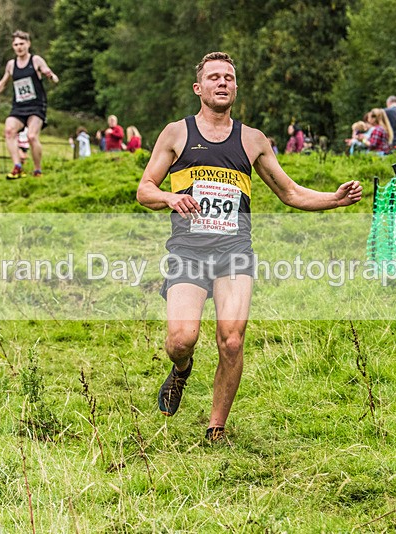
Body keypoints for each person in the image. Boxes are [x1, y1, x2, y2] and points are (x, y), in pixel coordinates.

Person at [136, 52, 362, 442]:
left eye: (228, 78)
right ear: (199, 88)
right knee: (180, 339)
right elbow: (144, 189)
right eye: (214, 77)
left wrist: (334, 198)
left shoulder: (252, 139)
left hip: (234, 252)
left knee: (232, 338)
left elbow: (290, 192)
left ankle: (216, 427)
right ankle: (181, 369)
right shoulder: (176, 133)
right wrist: (171, 199)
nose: (222, 83)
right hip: (188, 252)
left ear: (236, 88)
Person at [0, 30, 59, 179]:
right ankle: (17, 166)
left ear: (28, 44)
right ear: (13, 47)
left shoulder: (36, 60)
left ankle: (37, 170)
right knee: (9, 130)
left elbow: (52, 76)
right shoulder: (11, 65)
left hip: (36, 105)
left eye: (22, 44)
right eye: (16, 45)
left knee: (32, 136)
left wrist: (50, 76)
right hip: (19, 106)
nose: (19, 47)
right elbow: (3, 83)